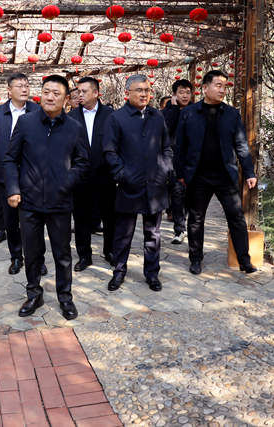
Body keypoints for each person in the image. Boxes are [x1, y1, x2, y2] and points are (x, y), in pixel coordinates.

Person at [3, 75, 89, 320]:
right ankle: (34, 294)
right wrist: (13, 189)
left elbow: (82, 162)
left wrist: (66, 182)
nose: (50, 97)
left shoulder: (74, 127)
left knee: (62, 253)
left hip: (60, 201)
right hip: (29, 201)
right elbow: (10, 159)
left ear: (66, 99)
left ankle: (65, 297)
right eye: (46, 92)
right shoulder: (26, 122)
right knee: (32, 252)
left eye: (56, 93)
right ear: (40, 94)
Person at [174, 69, 258, 275]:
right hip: (198, 176)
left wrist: (249, 172)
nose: (222, 90)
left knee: (236, 217)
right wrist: (181, 173)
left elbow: (241, 145)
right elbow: (180, 146)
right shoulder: (188, 113)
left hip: (225, 176)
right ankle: (195, 259)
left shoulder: (232, 114)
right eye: (218, 86)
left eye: (224, 87)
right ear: (205, 88)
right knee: (196, 219)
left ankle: (244, 260)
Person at [103, 74, 172, 293]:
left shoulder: (157, 116)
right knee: (123, 232)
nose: (144, 94)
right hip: (129, 185)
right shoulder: (116, 118)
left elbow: (166, 147)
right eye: (139, 90)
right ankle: (119, 272)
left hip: (155, 184)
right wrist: (122, 174)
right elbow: (110, 151)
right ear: (127, 93)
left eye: (147, 90)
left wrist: (166, 168)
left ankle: (152, 274)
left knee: (153, 233)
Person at [0, 73, 47, 276]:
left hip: (32, 175)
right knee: (11, 221)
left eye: (26, 85)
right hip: (5, 174)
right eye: (19, 86)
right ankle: (16, 257)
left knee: (35, 220)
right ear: (9, 90)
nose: (24, 89)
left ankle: (38, 259)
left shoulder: (38, 110)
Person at [68, 76, 115, 271]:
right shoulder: (71, 117)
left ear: (96, 93)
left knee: (109, 216)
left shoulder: (111, 115)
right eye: (78, 91)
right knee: (81, 217)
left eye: (84, 91)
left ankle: (110, 251)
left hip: (105, 175)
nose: (80, 95)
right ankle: (84, 255)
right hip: (80, 176)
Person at [162, 79, 193, 244]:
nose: (185, 96)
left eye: (188, 92)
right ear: (174, 94)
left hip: (193, 159)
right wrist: (174, 108)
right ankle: (179, 229)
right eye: (181, 92)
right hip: (174, 159)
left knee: (191, 194)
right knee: (177, 192)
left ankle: (187, 223)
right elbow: (165, 129)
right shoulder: (166, 111)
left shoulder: (196, 110)